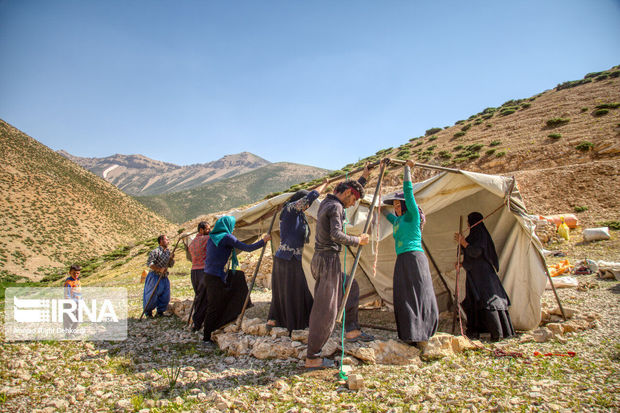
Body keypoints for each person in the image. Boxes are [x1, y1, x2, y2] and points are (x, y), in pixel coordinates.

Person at [305, 165, 374, 371]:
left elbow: (349, 190)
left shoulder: (328, 201)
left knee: (350, 287)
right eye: (352, 200)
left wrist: (363, 178)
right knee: (325, 310)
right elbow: (336, 235)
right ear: (345, 193)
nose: (352, 204)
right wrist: (358, 239)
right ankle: (313, 357)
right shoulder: (335, 207)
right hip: (328, 260)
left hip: (322, 259)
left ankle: (351, 330)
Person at [383, 160, 438, 346]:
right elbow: (387, 215)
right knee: (404, 295)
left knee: (419, 293)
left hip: (415, 257)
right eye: (395, 206)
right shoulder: (397, 221)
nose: (397, 208)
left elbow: (409, 192)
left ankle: (424, 331)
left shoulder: (412, 216)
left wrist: (407, 169)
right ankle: (410, 333)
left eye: (399, 205)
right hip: (402, 260)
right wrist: (378, 207)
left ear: (406, 205)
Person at [267, 179, 328, 332]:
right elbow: (310, 197)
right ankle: (291, 323)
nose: (307, 207)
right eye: (305, 204)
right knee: (291, 289)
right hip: (286, 258)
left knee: (293, 289)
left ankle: (282, 320)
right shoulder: (289, 209)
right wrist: (324, 184)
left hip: (291, 258)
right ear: (299, 201)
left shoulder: (299, 215)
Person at [201, 215, 271, 347]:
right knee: (214, 305)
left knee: (215, 303)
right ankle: (206, 337)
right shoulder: (227, 237)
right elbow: (247, 248)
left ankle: (215, 327)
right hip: (216, 276)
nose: (233, 229)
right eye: (232, 226)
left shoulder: (212, 238)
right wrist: (263, 241)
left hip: (209, 274)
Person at [454, 212, 515, 341]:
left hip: (483, 276)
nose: (467, 224)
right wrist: (461, 263)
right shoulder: (475, 236)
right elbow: (471, 256)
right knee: (473, 301)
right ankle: (476, 331)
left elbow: (476, 252)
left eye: (468, 221)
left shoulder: (480, 235)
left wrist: (463, 242)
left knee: (489, 301)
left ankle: (498, 332)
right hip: (475, 275)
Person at [143, 234, 175, 318]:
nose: (168, 241)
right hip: (155, 276)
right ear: (161, 241)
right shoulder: (155, 251)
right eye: (166, 239)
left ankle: (160, 312)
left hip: (164, 277)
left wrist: (171, 258)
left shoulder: (168, 252)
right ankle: (148, 313)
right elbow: (150, 264)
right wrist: (159, 269)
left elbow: (170, 265)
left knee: (165, 295)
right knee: (151, 295)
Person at [188, 221, 210, 331]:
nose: (209, 231)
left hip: (194, 272)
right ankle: (197, 323)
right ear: (201, 230)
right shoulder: (206, 239)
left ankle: (198, 321)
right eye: (207, 229)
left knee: (198, 296)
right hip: (203, 271)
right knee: (203, 298)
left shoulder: (192, 243)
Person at [63, 264, 82, 338]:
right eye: (74, 273)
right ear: (70, 272)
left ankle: (73, 332)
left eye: (77, 273)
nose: (76, 274)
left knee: (78, 318)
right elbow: (67, 294)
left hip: (78, 302)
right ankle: (67, 334)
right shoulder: (68, 282)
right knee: (69, 318)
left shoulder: (78, 280)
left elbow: (79, 292)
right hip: (70, 303)